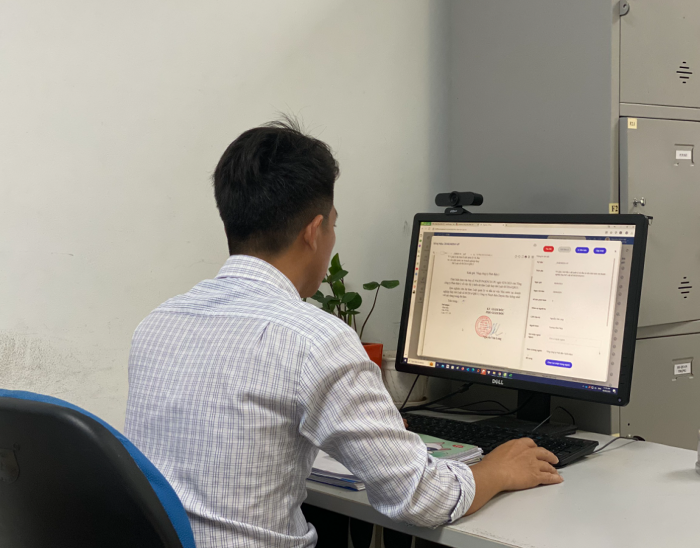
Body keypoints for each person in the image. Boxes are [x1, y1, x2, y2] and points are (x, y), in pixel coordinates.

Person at [124, 118, 562, 548]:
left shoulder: (158, 323)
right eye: (333, 224)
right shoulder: (313, 340)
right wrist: (498, 469)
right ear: (314, 232)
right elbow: (420, 497)